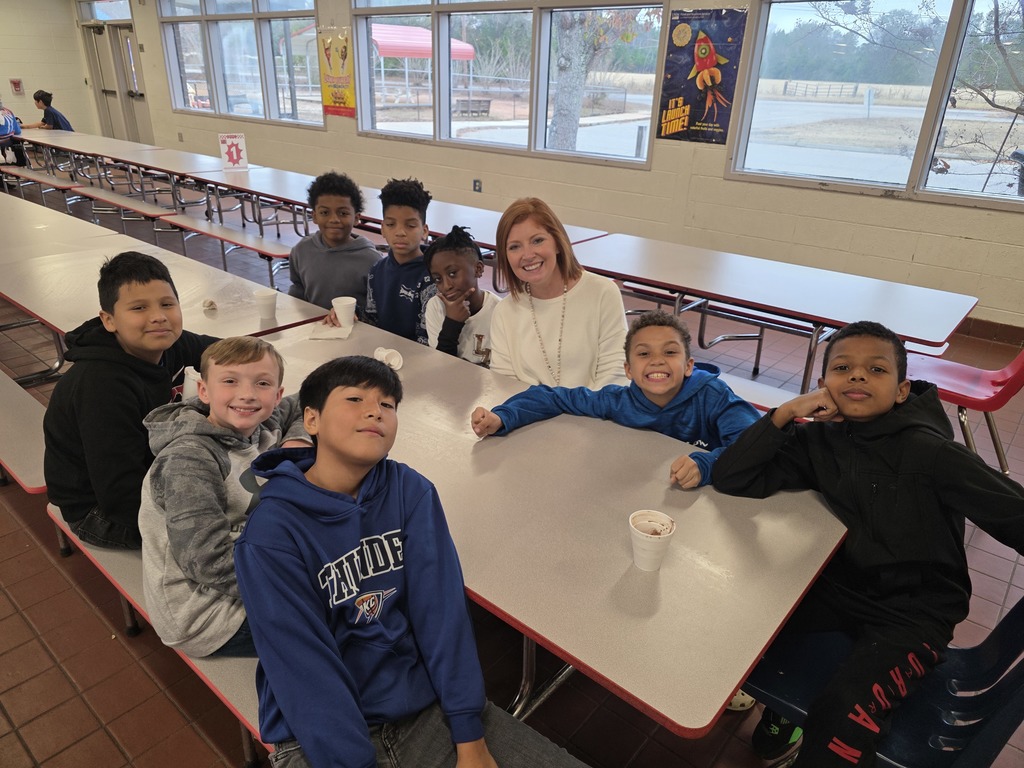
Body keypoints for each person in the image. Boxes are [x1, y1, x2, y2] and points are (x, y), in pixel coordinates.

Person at [234, 356, 590, 768]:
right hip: (318, 737)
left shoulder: (410, 492)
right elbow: (304, 670)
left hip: (422, 710)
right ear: (310, 420)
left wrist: (468, 735)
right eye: (355, 398)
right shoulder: (272, 535)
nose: (375, 411)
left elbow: (442, 615)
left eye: (387, 405)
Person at [712, 320, 1024, 767]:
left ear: (901, 390)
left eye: (876, 370)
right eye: (843, 367)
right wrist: (783, 415)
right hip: (843, 588)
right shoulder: (817, 439)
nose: (857, 376)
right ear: (823, 386)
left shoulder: (932, 454)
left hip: (913, 613)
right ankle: (781, 716)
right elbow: (732, 476)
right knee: (739, 618)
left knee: (841, 717)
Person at [139, 337, 311, 658]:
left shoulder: (263, 424)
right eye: (230, 381)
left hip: (252, 565)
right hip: (206, 612)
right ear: (204, 390)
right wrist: (300, 583)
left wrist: (297, 440)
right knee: (349, 612)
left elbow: (313, 398)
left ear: (277, 396)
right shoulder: (190, 459)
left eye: (261, 383)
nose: (246, 394)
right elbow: (206, 561)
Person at [43, 252, 218, 549]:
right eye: (139, 308)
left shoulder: (168, 341)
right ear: (109, 320)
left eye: (167, 304)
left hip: (151, 470)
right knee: (225, 526)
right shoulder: (102, 386)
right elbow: (121, 497)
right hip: (99, 510)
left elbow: (226, 354)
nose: (158, 316)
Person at [472, 311, 759, 487]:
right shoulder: (618, 400)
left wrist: (706, 466)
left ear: (688, 365)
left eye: (670, 352)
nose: (657, 361)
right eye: (644, 354)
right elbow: (552, 397)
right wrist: (503, 416)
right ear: (628, 370)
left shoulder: (714, 397)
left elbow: (756, 444)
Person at [490, 197, 626, 389]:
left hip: (594, 415)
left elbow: (615, 375)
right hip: (528, 416)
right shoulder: (504, 312)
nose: (528, 255)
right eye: (514, 247)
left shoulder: (603, 293)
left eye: (537, 241)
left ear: (557, 242)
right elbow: (504, 384)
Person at [287, 171, 380, 311]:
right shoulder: (301, 250)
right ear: (315, 216)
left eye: (343, 213)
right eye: (325, 212)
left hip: (355, 330)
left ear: (356, 218)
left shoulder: (372, 260)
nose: (334, 220)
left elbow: (376, 308)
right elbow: (297, 289)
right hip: (311, 327)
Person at [359, 177, 438, 344]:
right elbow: (372, 319)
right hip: (383, 354)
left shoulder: (433, 275)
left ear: (424, 231)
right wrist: (354, 315)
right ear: (382, 229)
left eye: (410, 226)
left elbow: (429, 337)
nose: (400, 232)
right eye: (391, 224)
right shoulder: (376, 270)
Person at [424, 225, 500, 366]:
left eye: (452, 273)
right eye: (438, 279)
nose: (446, 286)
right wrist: (452, 323)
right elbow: (442, 367)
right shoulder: (436, 307)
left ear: (478, 269)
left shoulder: (500, 312)